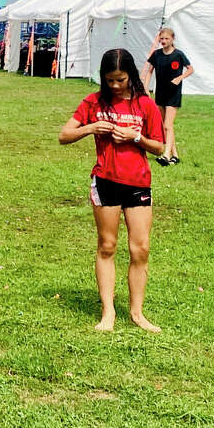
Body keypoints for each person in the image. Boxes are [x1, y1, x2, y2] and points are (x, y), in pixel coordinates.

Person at [59, 48, 165, 333]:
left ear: (131, 74)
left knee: (140, 248)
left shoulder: (146, 105)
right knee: (107, 246)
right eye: (109, 80)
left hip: (138, 183)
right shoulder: (93, 102)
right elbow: (64, 135)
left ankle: (137, 313)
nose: (116, 86)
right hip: (106, 181)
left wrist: (136, 136)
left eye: (120, 79)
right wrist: (91, 127)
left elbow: (159, 147)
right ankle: (108, 313)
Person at [140, 27, 193, 166]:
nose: (163, 41)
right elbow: (150, 71)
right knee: (165, 126)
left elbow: (191, 69)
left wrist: (180, 78)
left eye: (166, 39)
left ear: (172, 39)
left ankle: (166, 155)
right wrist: (146, 87)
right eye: (161, 39)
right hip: (160, 93)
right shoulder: (157, 55)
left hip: (173, 93)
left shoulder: (178, 54)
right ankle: (175, 155)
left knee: (167, 125)